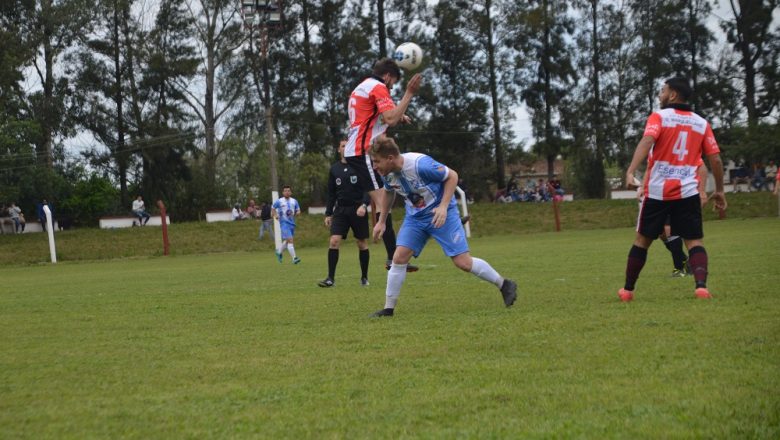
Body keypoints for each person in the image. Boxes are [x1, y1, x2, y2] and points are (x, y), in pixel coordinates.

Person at [368, 137, 517, 317]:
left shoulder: (420, 165)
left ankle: (504, 284)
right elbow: (389, 193)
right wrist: (382, 221)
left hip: (441, 213)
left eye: (376, 162)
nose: (375, 167)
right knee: (398, 258)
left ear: (390, 158)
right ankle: (388, 309)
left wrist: (444, 206)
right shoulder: (387, 174)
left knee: (462, 262)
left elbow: (452, 176)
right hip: (415, 218)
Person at [620, 77, 727, 302]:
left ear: (673, 95)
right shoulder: (701, 123)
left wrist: (631, 171)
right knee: (694, 241)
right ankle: (700, 287)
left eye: (662, 91)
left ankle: (628, 291)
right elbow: (715, 160)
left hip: (657, 191)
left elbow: (647, 141)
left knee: (641, 241)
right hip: (688, 192)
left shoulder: (659, 117)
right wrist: (719, 190)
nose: (660, 95)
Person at [346, 58, 422, 273]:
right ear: (388, 76)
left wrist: (400, 114)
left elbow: (372, 116)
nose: (391, 88)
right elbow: (389, 118)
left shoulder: (363, 86)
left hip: (363, 152)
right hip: (364, 154)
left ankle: (395, 255)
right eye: (393, 83)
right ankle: (395, 256)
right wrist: (408, 94)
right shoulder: (378, 87)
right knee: (383, 204)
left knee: (392, 194)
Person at [318, 140, 372, 288]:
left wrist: (364, 204)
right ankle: (330, 278)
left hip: (357, 210)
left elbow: (368, 188)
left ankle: (364, 277)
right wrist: (328, 213)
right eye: (343, 146)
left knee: (361, 243)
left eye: (348, 146)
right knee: (334, 241)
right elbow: (331, 193)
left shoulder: (359, 166)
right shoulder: (334, 169)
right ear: (338, 149)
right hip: (340, 210)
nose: (345, 148)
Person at [272, 185, 301, 264]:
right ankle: (294, 258)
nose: (287, 192)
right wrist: (275, 215)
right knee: (290, 240)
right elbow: (273, 208)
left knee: (287, 240)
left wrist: (297, 213)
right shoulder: (279, 201)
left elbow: (298, 210)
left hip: (292, 223)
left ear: (291, 192)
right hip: (284, 223)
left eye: (288, 191)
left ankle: (279, 252)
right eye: (285, 191)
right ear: (283, 192)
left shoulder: (294, 201)